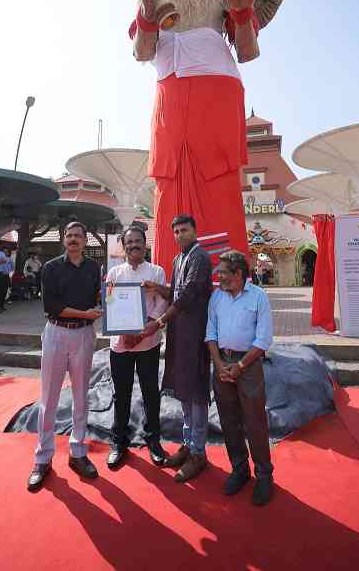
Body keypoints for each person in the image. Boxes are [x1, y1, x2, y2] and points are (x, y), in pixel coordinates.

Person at [130, 0, 288, 279]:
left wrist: (241, 9)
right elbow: (142, 52)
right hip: (171, 93)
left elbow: (248, 50)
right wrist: (147, 13)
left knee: (219, 183)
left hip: (216, 89)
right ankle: (169, 282)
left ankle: (228, 282)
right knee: (169, 184)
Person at [28, 221, 102, 492]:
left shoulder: (94, 268)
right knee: (49, 398)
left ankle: (78, 452)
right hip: (57, 333)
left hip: (84, 335)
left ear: (85, 241)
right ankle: (43, 458)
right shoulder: (50, 268)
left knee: (81, 395)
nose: (73, 239)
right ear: (63, 240)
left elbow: (100, 298)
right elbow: (52, 306)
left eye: (78, 236)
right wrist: (86, 314)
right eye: (69, 235)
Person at [143, 214, 213, 482]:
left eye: (185, 230)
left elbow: (188, 295)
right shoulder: (178, 258)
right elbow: (174, 292)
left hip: (195, 333)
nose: (180, 234)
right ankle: (187, 444)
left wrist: (159, 320)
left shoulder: (200, 258)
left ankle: (198, 453)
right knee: (183, 388)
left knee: (196, 391)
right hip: (178, 333)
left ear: (195, 231)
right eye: (176, 231)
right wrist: (157, 287)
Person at [205, 250, 274, 506]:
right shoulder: (217, 297)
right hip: (222, 363)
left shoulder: (258, 297)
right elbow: (210, 330)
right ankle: (240, 469)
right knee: (229, 420)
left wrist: (241, 365)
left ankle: (264, 475)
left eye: (223, 272)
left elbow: (264, 339)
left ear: (238, 273)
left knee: (255, 420)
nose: (219, 276)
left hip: (250, 365)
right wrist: (219, 363)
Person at [105, 226, 168, 469]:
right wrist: (125, 333)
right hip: (121, 344)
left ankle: (153, 440)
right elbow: (109, 302)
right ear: (124, 245)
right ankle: (119, 441)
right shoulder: (114, 273)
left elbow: (161, 303)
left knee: (150, 392)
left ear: (145, 243)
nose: (133, 245)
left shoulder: (157, 271)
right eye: (129, 242)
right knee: (121, 393)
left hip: (148, 343)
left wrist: (143, 330)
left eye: (137, 241)